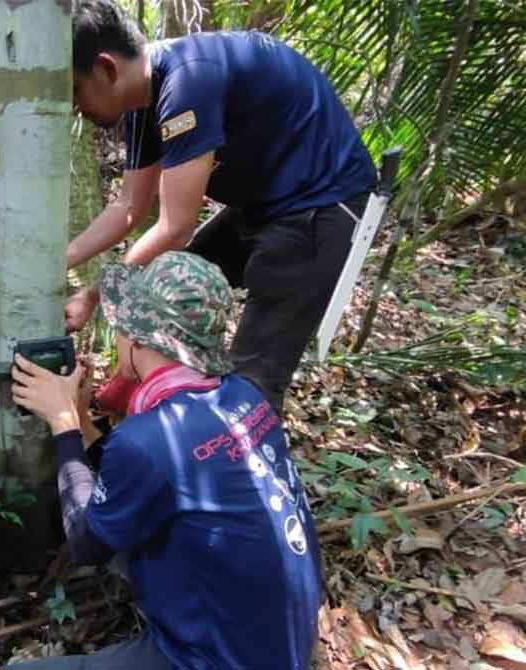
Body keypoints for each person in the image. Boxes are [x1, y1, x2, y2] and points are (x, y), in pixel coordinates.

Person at [10, 252, 322, 669]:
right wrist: (82, 423)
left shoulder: (149, 439)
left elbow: (86, 544)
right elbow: (156, 477)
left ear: (138, 338)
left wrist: (63, 424)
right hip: (281, 639)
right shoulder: (244, 396)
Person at [64, 0, 377, 411]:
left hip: (322, 205)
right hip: (264, 202)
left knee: (253, 381)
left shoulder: (187, 83)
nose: (75, 107)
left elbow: (176, 228)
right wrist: (60, 261)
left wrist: (93, 294)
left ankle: (234, 442)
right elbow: (128, 207)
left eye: (75, 90)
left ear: (106, 68)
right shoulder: (142, 99)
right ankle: (138, 397)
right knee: (162, 293)